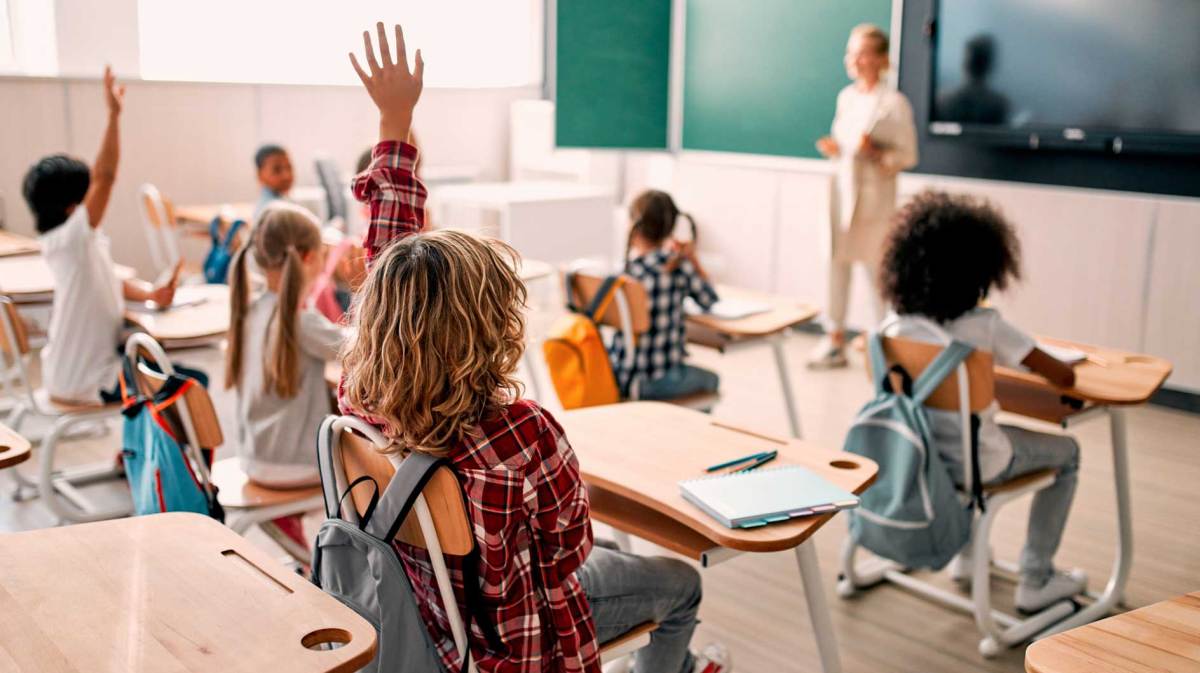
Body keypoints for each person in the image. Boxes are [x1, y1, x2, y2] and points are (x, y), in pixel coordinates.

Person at [338, 23, 730, 673]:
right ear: (494, 326)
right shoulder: (524, 432)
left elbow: (395, 264)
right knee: (681, 583)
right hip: (512, 641)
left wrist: (394, 121)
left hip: (422, 614)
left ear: (379, 318)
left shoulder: (365, 396)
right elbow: (571, 554)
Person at [878, 190, 1086, 613]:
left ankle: (967, 557)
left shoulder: (896, 325)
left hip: (919, 455)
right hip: (981, 462)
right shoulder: (985, 324)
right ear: (982, 266)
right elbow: (1062, 375)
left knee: (964, 438)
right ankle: (1037, 576)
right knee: (1069, 454)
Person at [21, 65, 202, 404]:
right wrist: (114, 116)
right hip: (86, 378)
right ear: (71, 204)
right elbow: (105, 176)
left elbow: (110, 279)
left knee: (173, 375)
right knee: (191, 386)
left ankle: (140, 454)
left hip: (76, 369)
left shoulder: (76, 244)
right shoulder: (72, 238)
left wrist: (150, 293)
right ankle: (146, 456)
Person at [810, 24, 918, 369]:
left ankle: (888, 343)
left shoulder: (894, 103)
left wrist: (873, 152)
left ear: (881, 59)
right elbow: (845, 147)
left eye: (861, 52)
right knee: (835, 266)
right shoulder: (847, 97)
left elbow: (907, 156)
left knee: (877, 272)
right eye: (850, 52)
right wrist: (835, 150)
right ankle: (834, 339)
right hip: (841, 195)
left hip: (874, 201)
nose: (853, 60)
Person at [609, 190, 720, 401]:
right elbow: (710, 300)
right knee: (712, 380)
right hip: (660, 381)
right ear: (671, 228)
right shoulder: (676, 267)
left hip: (622, 376)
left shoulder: (624, 272)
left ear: (633, 226)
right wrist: (693, 259)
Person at [253, 144, 295, 220]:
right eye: (277, 170)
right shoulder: (271, 212)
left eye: (289, 167)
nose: (286, 175)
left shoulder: (283, 201)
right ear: (260, 175)